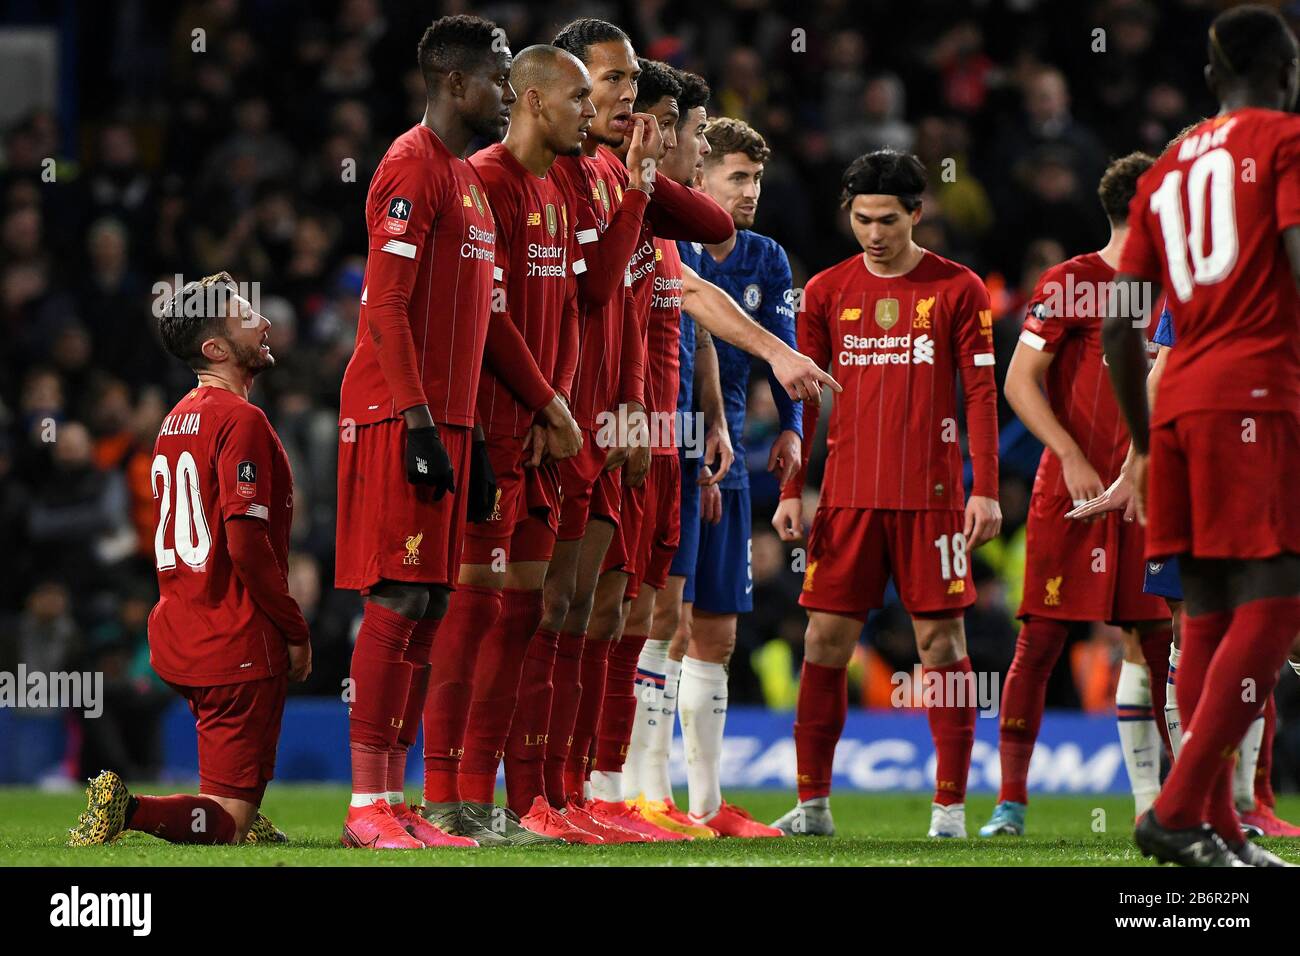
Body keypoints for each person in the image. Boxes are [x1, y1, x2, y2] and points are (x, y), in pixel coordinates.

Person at [1102, 4, 1300, 867]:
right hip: (1255, 394)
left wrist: (1142, 445)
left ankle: (1217, 826)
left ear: (1213, 77)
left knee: (1209, 612)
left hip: (1176, 404)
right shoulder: (1287, 142)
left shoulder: (1167, 168)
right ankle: (1177, 809)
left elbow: (1119, 325)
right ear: (1286, 73)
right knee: (1278, 600)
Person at [771, 149, 1001, 838]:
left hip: (931, 499)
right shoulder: (825, 290)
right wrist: (792, 488)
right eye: (863, 219)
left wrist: (983, 490)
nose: (874, 234)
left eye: (889, 221)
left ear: (917, 215)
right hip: (846, 498)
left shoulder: (959, 289)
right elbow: (803, 399)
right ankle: (813, 807)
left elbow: (982, 394)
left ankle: (950, 810)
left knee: (940, 647)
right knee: (824, 641)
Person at [334, 14, 521, 850]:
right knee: (399, 594)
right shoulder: (412, 165)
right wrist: (417, 422)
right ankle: (365, 805)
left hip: (446, 418)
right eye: (499, 75)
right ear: (454, 81)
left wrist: (470, 434)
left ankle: (395, 798)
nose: (508, 91)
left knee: (433, 603)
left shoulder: (467, 179)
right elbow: (386, 306)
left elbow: (469, 322)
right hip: (394, 412)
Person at [69, 272, 309, 847]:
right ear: (216, 348)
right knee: (228, 823)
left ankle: (222, 805)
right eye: (247, 315)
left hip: (183, 627)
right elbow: (247, 545)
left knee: (227, 793)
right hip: (235, 637)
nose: (265, 321)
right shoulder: (242, 420)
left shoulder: (174, 421)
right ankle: (129, 809)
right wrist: (294, 627)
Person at [979, 153, 1174, 838]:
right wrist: (1068, 456)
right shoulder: (1073, 282)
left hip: (1153, 493)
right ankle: (1010, 803)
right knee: (1041, 641)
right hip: (1076, 492)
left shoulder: (1179, 288)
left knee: (1161, 642)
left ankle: (1176, 806)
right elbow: (1019, 381)